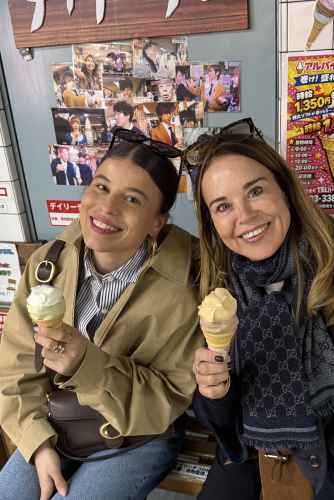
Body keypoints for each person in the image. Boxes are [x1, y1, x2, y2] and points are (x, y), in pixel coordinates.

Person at [186, 119, 334, 500]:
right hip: (256, 454)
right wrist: (215, 392)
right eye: (223, 206)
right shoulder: (222, 288)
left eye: (255, 190)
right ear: (212, 223)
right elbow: (223, 428)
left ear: (285, 189)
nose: (244, 216)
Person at [0, 129, 203, 500]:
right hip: (57, 423)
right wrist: (38, 443)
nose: (107, 208)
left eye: (132, 199)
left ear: (159, 221)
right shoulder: (48, 264)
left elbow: (168, 399)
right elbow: (15, 367)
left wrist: (86, 363)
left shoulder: (184, 289)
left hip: (137, 436)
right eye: (101, 187)